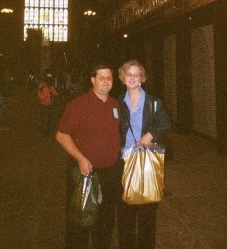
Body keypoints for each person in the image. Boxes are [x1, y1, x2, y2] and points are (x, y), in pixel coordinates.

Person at [56, 63, 121, 249]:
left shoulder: (115, 105)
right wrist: (80, 158)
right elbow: (61, 135)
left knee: (106, 220)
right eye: (101, 77)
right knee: (80, 220)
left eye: (109, 78)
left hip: (109, 173)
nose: (106, 81)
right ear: (92, 80)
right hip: (84, 173)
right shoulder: (78, 105)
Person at [117, 59, 171, 249]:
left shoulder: (153, 102)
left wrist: (151, 133)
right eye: (128, 74)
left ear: (142, 78)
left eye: (136, 74)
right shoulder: (117, 104)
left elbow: (165, 123)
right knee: (125, 212)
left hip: (147, 162)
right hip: (125, 162)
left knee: (148, 212)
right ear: (123, 78)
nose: (132, 78)